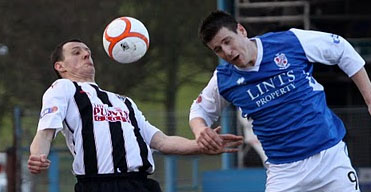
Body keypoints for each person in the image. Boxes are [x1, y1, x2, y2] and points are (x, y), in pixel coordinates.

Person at [189, 10, 371, 192]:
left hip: (329, 158)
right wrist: (200, 130)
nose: (226, 52)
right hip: (284, 172)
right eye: (218, 49)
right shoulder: (224, 79)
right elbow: (199, 111)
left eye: (228, 41)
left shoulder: (289, 42)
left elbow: (340, 49)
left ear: (241, 31)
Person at [27, 39, 243, 192]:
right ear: (60, 66)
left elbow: (162, 141)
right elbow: (46, 133)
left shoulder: (123, 101)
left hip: (141, 184)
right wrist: (37, 155)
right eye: (76, 52)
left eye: (88, 52)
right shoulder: (63, 88)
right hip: (100, 185)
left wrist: (200, 145)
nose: (86, 54)